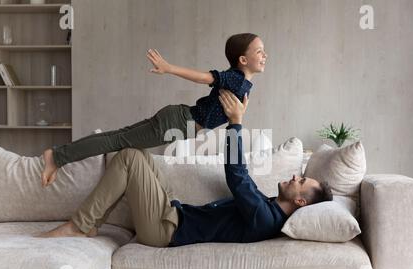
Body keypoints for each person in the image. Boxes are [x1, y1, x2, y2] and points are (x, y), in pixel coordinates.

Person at [39, 90, 333, 245]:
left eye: (302, 179)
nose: (296, 175)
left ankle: (79, 226)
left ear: (300, 200)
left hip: (164, 230)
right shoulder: (267, 207)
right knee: (135, 153)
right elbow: (243, 182)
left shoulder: (265, 218)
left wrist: (236, 123)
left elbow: (237, 176)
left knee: (128, 158)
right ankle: (90, 224)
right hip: (172, 212)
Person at [41, 33, 268, 187]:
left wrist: (238, 115)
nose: (264, 55)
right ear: (242, 59)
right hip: (177, 122)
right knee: (115, 141)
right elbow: (204, 77)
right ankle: (57, 156)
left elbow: (229, 113)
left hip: (177, 118)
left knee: (117, 137)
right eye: (259, 51)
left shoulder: (243, 84)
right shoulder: (235, 78)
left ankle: (59, 155)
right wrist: (169, 68)